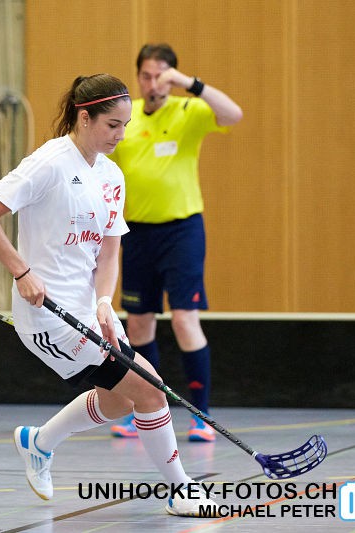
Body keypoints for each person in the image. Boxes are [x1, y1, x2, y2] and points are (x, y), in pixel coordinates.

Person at [0, 73, 216, 517]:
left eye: (125, 125)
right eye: (113, 125)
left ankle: (38, 442)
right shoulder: (49, 163)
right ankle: (182, 490)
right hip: (48, 316)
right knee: (152, 391)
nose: (121, 135)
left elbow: (109, 251)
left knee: (120, 401)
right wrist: (21, 271)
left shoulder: (112, 174)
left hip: (87, 308)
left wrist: (104, 301)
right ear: (85, 117)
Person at [108, 43, 243, 442]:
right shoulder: (126, 117)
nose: (154, 84)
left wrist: (188, 84)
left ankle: (201, 415)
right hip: (137, 232)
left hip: (182, 231)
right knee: (138, 322)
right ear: (138, 78)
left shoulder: (188, 111)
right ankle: (145, 406)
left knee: (185, 317)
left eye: (162, 76)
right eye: (147, 76)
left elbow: (233, 114)